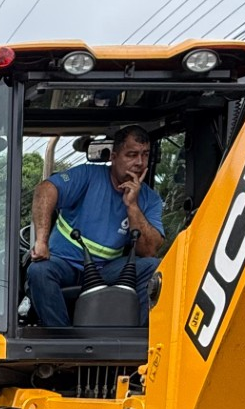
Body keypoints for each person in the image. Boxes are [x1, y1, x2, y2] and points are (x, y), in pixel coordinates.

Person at [26, 125, 166, 329]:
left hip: (106, 270)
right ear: (114, 156)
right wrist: (41, 242)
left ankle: (135, 340)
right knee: (38, 271)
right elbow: (45, 189)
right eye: (131, 154)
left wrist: (132, 205)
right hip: (65, 264)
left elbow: (149, 250)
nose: (139, 162)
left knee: (154, 267)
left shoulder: (149, 199)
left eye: (144, 155)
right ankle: (62, 342)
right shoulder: (88, 176)